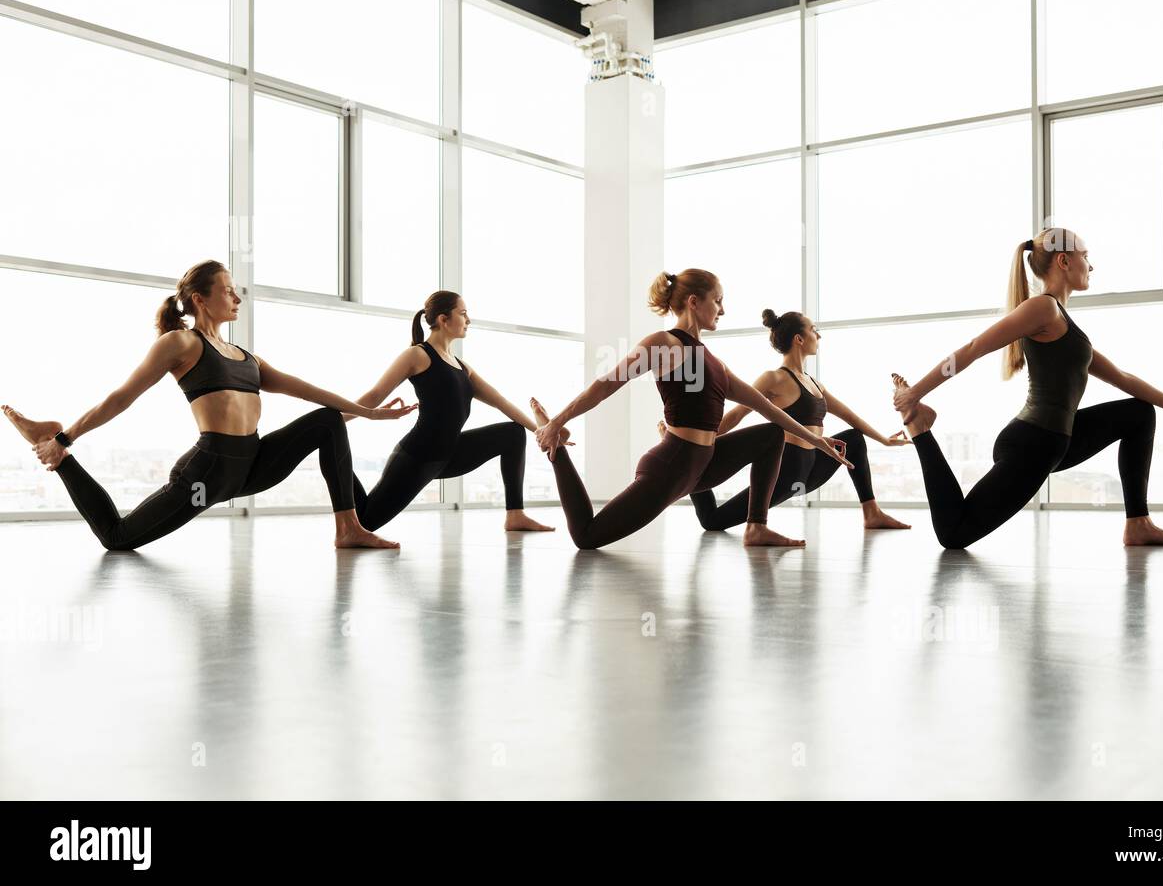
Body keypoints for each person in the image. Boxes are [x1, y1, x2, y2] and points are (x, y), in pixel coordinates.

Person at [3, 260, 413, 551]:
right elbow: (122, 397)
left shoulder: (246, 356)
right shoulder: (181, 343)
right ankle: (56, 451)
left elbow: (306, 390)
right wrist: (65, 436)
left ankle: (348, 528)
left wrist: (369, 413)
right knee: (117, 538)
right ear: (200, 298)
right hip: (208, 473)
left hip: (252, 465)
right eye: (228, 290)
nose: (237, 297)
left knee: (326, 421)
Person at [890, 228, 1163, 549]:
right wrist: (915, 393)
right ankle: (920, 427)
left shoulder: (1064, 323)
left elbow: (1123, 378)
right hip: (1032, 444)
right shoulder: (1044, 308)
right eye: (1085, 255)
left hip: (1056, 442)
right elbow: (975, 347)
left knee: (1138, 414)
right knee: (954, 534)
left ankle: (1138, 523)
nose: (1091, 265)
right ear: (1064, 261)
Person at [532, 269, 851, 550]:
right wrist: (558, 421)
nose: (723, 310)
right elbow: (605, 384)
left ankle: (756, 526)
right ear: (694, 302)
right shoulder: (664, 343)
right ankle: (558, 449)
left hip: (705, 464)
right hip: (672, 466)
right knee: (587, 537)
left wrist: (819, 441)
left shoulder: (715, 363)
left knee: (771, 434)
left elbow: (766, 407)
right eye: (718, 300)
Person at [346, 291, 560, 533]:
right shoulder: (417, 355)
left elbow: (500, 401)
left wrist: (544, 431)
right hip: (418, 457)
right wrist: (338, 419)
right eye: (463, 313)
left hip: (451, 454)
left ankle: (516, 515)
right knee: (366, 522)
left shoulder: (462, 367)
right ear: (443, 319)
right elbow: (375, 395)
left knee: (512, 434)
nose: (468, 320)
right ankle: (335, 458)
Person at [686, 307, 912, 531]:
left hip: (813, 468)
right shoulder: (772, 379)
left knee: (854, 439)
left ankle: (872, 513)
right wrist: (700, 442)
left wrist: (884, 440)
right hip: (787, 471)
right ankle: (688, 468)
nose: (819, 335)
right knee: (712, 521)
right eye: (814, 330)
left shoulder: (815, 384)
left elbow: (849, 416)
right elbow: (737, 414)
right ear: (799, 339)